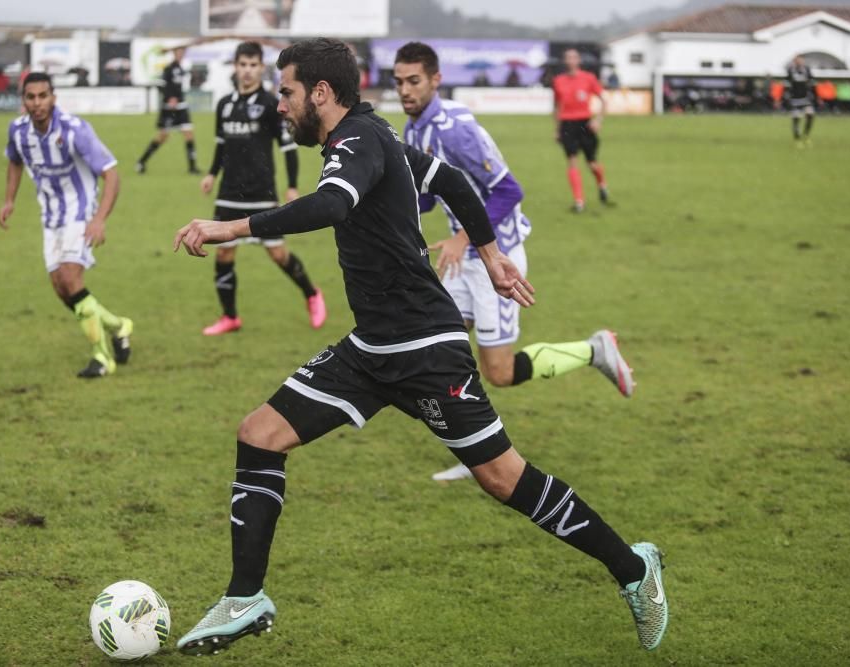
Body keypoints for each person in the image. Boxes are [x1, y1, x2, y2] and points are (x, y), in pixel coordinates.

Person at [171, 37, 667, 657]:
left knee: (503, 479)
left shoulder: (356, 141)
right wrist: (490, 255)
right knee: (259, 435)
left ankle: (633, 569)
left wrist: (230, 227)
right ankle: (245, 599)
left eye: (288, 92)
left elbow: (331, 204)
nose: (280, 104)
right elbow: (453, 181)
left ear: (320, 94)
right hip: (371, 349)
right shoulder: (373, 138)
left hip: (427, 350)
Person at [394, 41, 635, 482]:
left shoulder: (455, 130)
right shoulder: (413, 130)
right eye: (399, 82)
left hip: (495, 258)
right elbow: (428, 195)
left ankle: (593, 350)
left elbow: (508, 191)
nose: (405, 90)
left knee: (499, 372)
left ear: (435, 80)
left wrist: (463, 238)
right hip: (461, 255)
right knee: (439, 354)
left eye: (414, 81)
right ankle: (479, 454)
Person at [0, 72, 133, 378]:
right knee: (63, 290)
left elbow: (111, 173)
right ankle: (119, 326)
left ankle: (102, 358)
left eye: (43, 96)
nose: (37, 103)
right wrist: (9, 200)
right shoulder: (18, 131)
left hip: (82, 212)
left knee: (71, 280)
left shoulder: (75, 130)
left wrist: (99, 219)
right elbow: (15, 160)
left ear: (53, 97)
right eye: (30, 97)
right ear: (24, 101)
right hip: (51, 218)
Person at [199, 41, 326, 335]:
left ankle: (312, 293)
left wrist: (292, 186)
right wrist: (210, 174)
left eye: (253, 65)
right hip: (229, 193)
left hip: (260, 193)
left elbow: (287, 148)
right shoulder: (224, 104)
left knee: (278, 255)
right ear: (235, 66)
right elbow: (221, 146)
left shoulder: (271, 104)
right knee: (223, 255)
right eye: (242, 64)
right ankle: (230, 317)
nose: (247, 71)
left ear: (260, 68)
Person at [553, 48, 612, 212]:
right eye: (568, 57)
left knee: (591, 163)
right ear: (565, 61)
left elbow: (603, 100)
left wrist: (598, 119)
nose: (571, 60)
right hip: (567, 125)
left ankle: (602, 184)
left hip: (585, 124)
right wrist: (557, 129)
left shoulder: (588, 78)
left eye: (574, 57)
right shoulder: (558, 81)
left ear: (579, 60)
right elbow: (557, 106)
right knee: (572, 160)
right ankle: (579, 201)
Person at [136, 47, 199, 174]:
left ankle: (192, 167)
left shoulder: (181, 69)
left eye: (182, 53)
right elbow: (161, 85)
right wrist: (170, 97)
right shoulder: (169, 69)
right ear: (174, 54)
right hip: (169, 110)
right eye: (178, 53)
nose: (181, 55)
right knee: (163, 137)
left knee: (189, 134)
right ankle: (141, 162)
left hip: (182, 107)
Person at [786, 55, 816, 148]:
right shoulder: (791, 70)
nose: (799, 62)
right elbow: (788, 82)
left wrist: (811, 92)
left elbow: (812, 81)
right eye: (797, 60)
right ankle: (797, 139)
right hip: (795, 98)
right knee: (796, 119)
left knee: (810, 115)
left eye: (801, 60)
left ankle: (806, 135)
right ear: (794, 61)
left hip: (806, 98)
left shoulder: (807, 69)